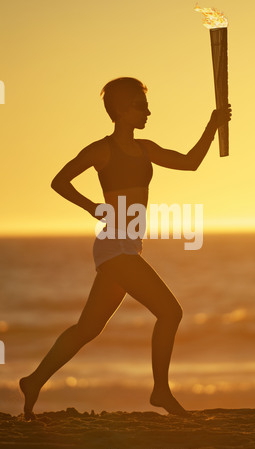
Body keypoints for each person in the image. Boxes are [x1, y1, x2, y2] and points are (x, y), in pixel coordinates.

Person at [20, 77, 232, 420]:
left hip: (127, 246)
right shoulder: (101, 150)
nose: (147, 111)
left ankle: (33, 381)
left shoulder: (146, 148)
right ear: (119, 110)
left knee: (87, 329)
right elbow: (59, 181)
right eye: (140, 104)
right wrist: (91, 206)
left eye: (146, 105)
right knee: (170, 312)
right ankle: (160, 391)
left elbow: (190, 162)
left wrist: (212, 125)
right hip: (114, 245)